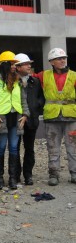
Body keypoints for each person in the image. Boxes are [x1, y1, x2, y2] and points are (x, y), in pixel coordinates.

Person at [32, 48, 76, 185]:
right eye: (59, 58)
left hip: (71, 115)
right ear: (51, 62)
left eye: (64, 58)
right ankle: (54, 175)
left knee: (73, 147)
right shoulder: (43, 75)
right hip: (51, 116)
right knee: (53, 148)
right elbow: (26, 78)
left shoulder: (74, 75)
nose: (62, 60)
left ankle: (74, 173)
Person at [0, 51, 29, 189]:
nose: (13, 66)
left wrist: (25, 114)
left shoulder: (18, 80)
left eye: (14, 64)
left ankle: (12, 179)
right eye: (11, 63)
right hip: (1, 119)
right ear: (3, 64)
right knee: (1, 148)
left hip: (15, 118)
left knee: (14, 148)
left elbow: (23, 99)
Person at [14, 53, 44, 185]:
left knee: (29, 148)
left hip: (31, 120)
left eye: (29, 64)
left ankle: (28, 175)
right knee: (15, 148)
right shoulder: (12, 81)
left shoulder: (35, 81)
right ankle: (15, 175)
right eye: (26, 64)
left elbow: (41, 98)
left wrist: (36, 108)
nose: (29, 66)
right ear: (18, 67)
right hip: (16, 121)